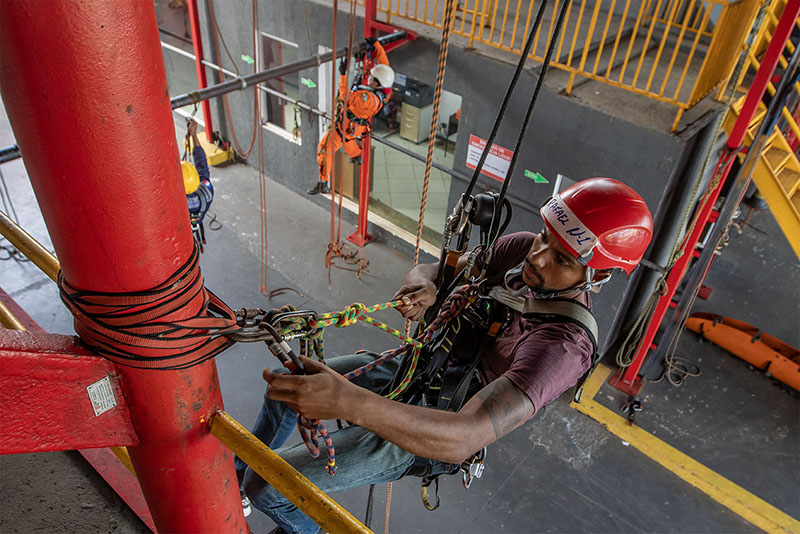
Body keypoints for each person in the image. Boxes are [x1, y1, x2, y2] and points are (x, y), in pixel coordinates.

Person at [237, 177, 653, 533]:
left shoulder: (562, 346)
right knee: (286, 381)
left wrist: (347, 402)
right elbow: (432, 271)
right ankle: (233, 481)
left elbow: (464, 437)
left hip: (439, 424)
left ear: (597, 275)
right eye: (546, 236)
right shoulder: (518, 251)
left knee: (267, 485)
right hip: (419, 368)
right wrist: (428, 286)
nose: (537, 256)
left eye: (562, 258)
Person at [308, 37, 395, 195]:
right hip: (353, 127)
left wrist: (342, 75)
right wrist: (375, 45)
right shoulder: (384, 90)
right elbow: (384, 64)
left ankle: (323, 182)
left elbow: (344, 96)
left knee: (324, 148)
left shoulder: (367, 99)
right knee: (346, 139)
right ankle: (356, 155)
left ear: (377, 83)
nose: (369, 78)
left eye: (372, 79)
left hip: (346, 126)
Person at [183, 119, 214, 251]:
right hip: (198, 218)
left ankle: (197, 244)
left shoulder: (174, 202)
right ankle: (200, 242)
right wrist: (194, 135)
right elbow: (202, 164)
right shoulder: (206, 192)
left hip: (183, 226)